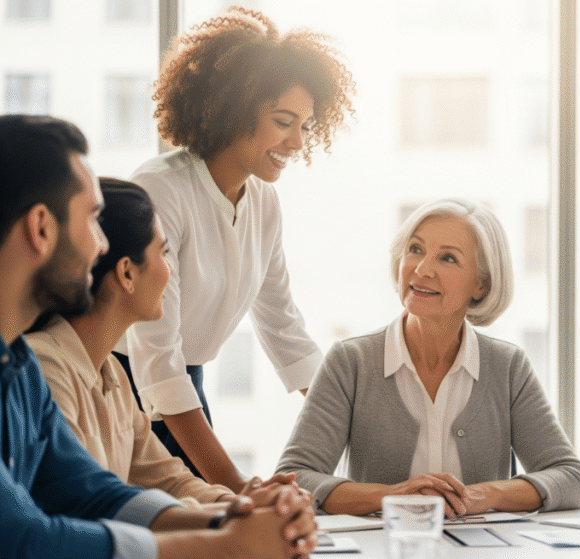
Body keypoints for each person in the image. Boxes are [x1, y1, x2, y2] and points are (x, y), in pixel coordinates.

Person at [0, 114, 317, 559]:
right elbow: (22, 539)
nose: (102, 246)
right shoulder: (46, 366)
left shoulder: (20, 368)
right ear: (41, 228)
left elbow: (92, 492)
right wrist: (222, 545)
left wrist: (235, 515)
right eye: (92, 220)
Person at [117, 6, 356, 492]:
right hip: (125, 385)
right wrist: (241, 489)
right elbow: (157, 362)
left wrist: (353, 431)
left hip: (186, 381)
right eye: (283, 121)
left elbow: (284, 329)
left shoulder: (263, 202)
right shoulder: (162, 190)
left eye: (306, 126)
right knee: (197, 515)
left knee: (213, 516)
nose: (296, 142)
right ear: (234, 108)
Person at [276, 199, 580, 517]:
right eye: (415, 249)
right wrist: (394, 495)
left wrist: (482, 495)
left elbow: (569, 478)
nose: (422, 269)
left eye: (448, 258)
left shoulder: (508, 367)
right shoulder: (349, 361)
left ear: (481, 285)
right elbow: (295, 478)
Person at [27, 178, 303, 508]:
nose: (171, 271)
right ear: (127, 273)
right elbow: (89, 503)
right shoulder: (46, 369)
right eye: (164, 253)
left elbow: (171, 480)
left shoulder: (111, 372)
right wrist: (229, 517)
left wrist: (246, 504)